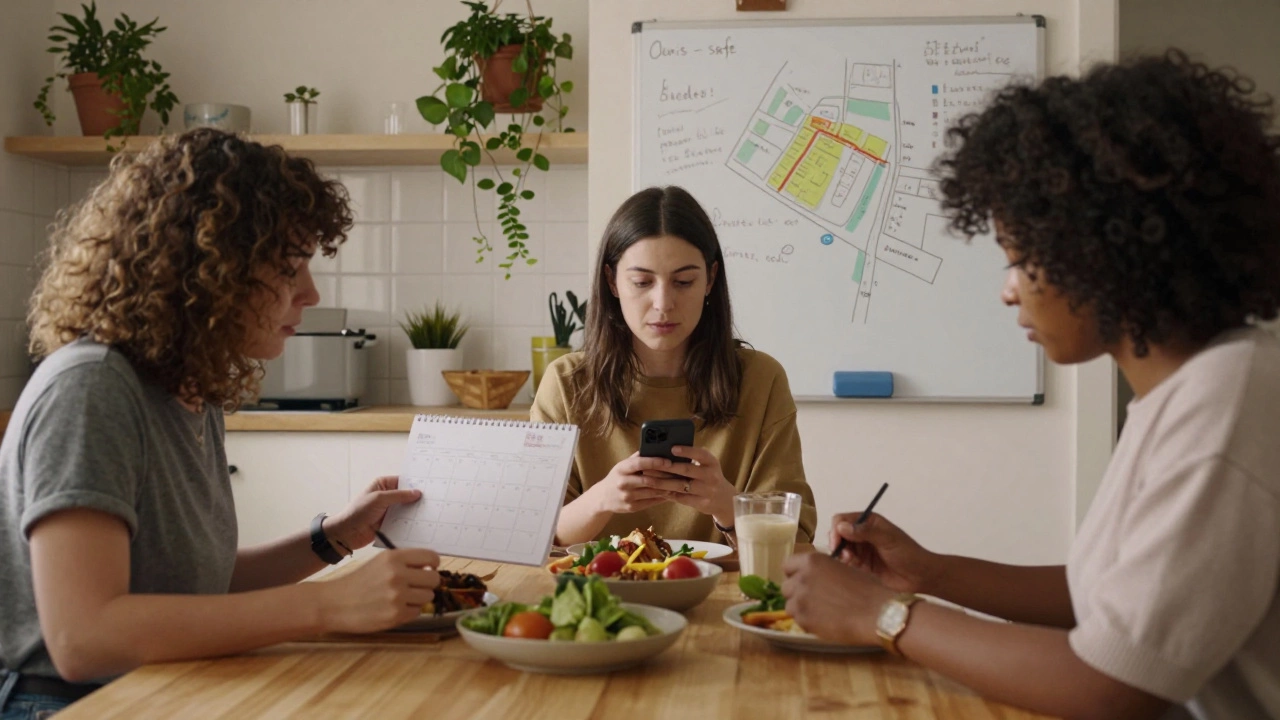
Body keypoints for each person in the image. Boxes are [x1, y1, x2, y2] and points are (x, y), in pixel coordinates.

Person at [781, 50, 1280, 720]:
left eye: (1019, 259)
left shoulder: (1227, 401)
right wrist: (927, 571)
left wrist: (886, 615)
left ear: (1104, 251)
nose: (1007, 290)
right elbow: (1101, 595)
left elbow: (1109, 686)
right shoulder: (1190, 389)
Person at [0, 129, 441, 718]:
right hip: (72, 703)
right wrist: (327, 606)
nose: (309, 293)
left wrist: (333, 538)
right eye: (288, 268)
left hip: (164, 686)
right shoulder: (92, 389)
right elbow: (86, 638)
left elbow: (193, 589)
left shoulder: (187, 390)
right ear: (206, 270)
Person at [532, 186, 817, 546]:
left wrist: (728, 505)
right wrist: (603, 499)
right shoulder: (566, 383)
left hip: (724, 597)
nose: (663, 303)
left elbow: (798, 541)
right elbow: (535, 535)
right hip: (599, 597)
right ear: (611, 281)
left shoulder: (761, 380)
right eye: (642, 282)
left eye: (684, 282)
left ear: (710, 280)